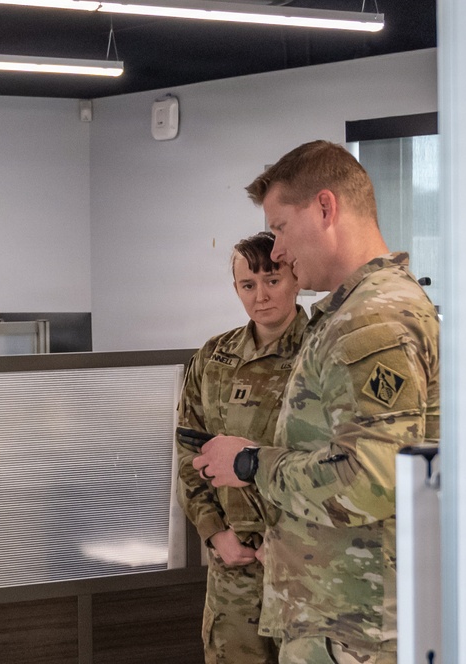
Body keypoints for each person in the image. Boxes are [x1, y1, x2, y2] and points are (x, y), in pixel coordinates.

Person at [193, 140, 439, 663]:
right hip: (343, 615)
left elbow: (371, 480)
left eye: (280, 227)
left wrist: (250, 461)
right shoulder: (357, 312)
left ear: (325, 208)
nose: (277, 250)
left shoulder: (371, 321)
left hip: (356, 625)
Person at [176, 231, 306, 664]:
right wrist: (214, 533)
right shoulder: (215, 357)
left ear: (296, 277)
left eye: (272, 279)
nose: (261, 296)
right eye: (248, 285)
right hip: (235, 567)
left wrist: (290, 542)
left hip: (306, 570)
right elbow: (188, 451)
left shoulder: (322, 353)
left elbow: (339, 459)